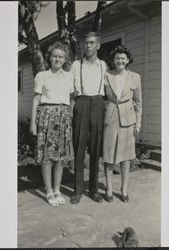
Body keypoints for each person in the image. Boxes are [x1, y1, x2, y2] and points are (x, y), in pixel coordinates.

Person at [30, 42, 74, 206]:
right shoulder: (42, 76)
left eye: (61, 56)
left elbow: (71, 99)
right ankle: (48, 190)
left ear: (65, 59)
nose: (57, 59)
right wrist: (33, 123)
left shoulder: (69, 76)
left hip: (63, 118)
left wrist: (69, 117)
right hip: (46, 118)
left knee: (60, 158)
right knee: (47, 157)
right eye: (55, 56)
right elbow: (35, 100)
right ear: (49, 57)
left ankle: (57, 189)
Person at [70, 32, 107, 204]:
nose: (88, 46)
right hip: (82, 102)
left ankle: (93, 190)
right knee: (79, 146)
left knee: (95, 148)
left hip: (99, 103)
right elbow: (69, 88)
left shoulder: (104, 65)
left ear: (98, 45)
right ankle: (77, 190)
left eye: (92, 43)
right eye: (86, 43)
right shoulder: (76, 65)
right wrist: (73, 100)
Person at [103, 45, 142, 202]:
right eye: (117, 58)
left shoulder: (135, 77)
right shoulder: (107, 76)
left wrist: (138, 123)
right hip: (110, 117)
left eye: (122, 58)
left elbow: (138, 102)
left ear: (127, 60)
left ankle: (124, 188)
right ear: (113, 60)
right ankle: (109, 188)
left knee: (126, 157)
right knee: (108, 155)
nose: (120, 60)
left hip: (128, 119)